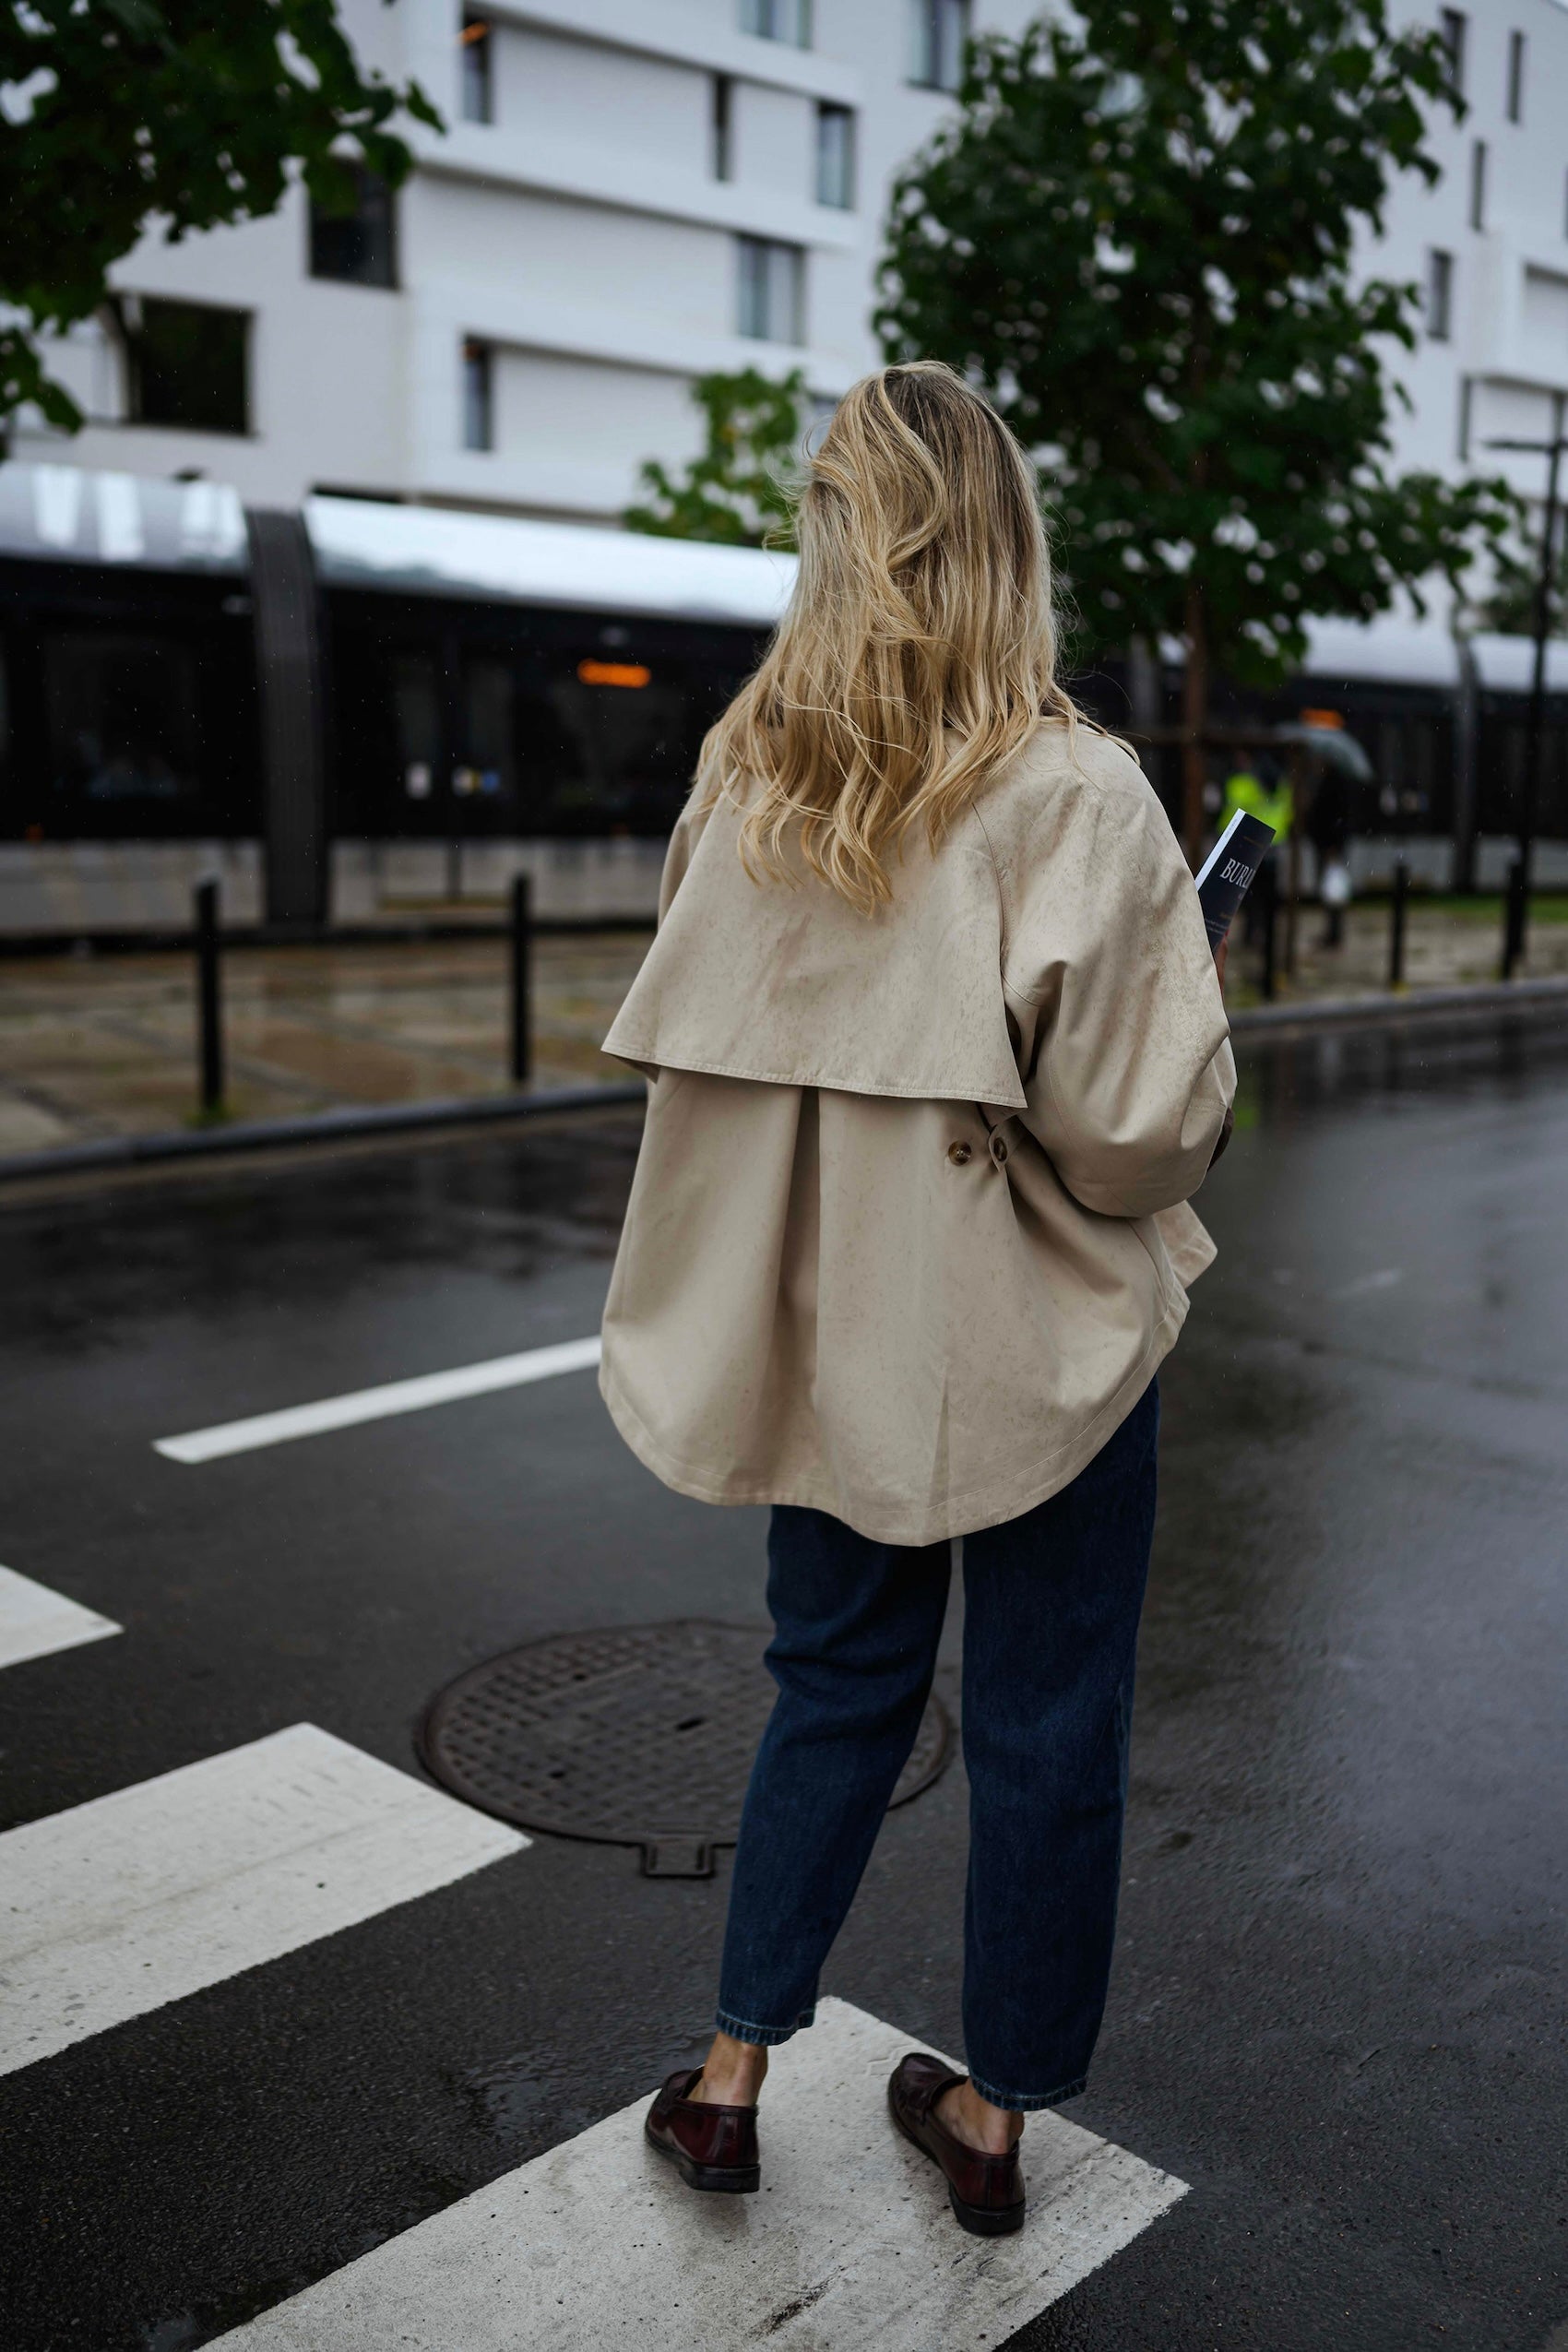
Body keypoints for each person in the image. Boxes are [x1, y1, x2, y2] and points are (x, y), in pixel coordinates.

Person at [600, 364, 1235, 2239]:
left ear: (830, 540)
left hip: (821, 1332)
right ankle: (991, 2116)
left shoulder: (744, 775)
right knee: (1045, 1728)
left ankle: (728, 2079)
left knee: (831, 1689)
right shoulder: (1076, 795)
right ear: (1007, 548)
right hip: (1032, 1343)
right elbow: (1133, 1144)